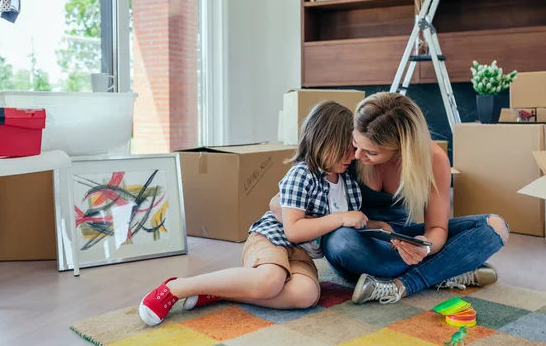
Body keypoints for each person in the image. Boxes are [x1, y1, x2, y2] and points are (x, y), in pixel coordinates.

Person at [138, 101, 382, 327]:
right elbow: (293, 230)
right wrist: (340, 218)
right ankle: (177, 287)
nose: (352, 156)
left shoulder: (349, 185)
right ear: (322, 142)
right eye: (345, 149)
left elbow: (350, 219)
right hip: (271, 237)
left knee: (307, 294)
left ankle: (222, 292)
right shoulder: (302, 175)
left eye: (353, 148)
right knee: (270, 281)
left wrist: (376, 225)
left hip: (301, 253)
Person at [270, 92, 509, 305]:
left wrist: (423, 248)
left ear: (401, 148)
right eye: (355, 144)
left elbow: (436, 228)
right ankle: (446, 269)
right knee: (341, 240)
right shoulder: (348, 151)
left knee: (494, 227)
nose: (357, 155)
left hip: (400, 242)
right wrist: (334, 219)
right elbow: (280, 204)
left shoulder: (433, 159)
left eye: (372, 152)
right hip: (358, 245)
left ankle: (400, 286)